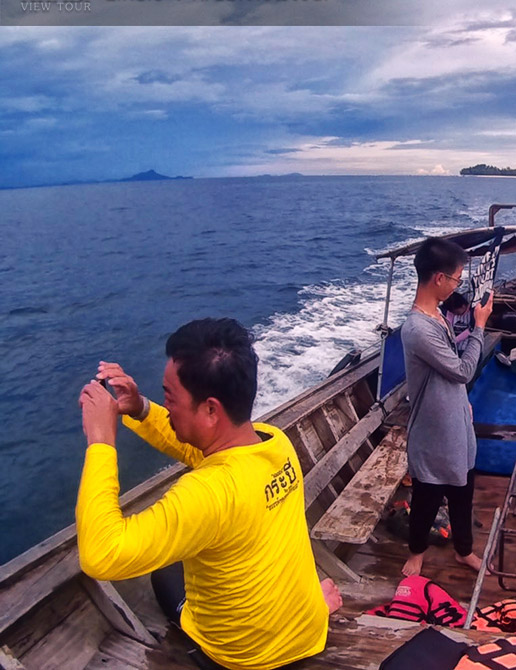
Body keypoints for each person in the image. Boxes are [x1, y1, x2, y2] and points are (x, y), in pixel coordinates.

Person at [76, 318, 339, 670]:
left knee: (165, 574)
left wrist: (101, 441)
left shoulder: (206, 493)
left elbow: (102, 554)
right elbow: (200, 450)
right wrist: (140, 408)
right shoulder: (275, 444)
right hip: (307, 631)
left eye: (169, 397)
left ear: (211, 409)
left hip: (246, 658)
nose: (166, 406)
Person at [401, 237, 494, 577]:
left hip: (456, 420)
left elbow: (452, 375)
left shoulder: (437, 314)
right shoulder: (418, 329)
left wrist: (462, 402)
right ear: (439, 278)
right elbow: (462, 370)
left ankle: (464, 550)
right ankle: (416, 551)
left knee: (462, 491)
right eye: (456, 278)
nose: (459, 285)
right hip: (432, 430)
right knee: (426, 496)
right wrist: (480, 325)